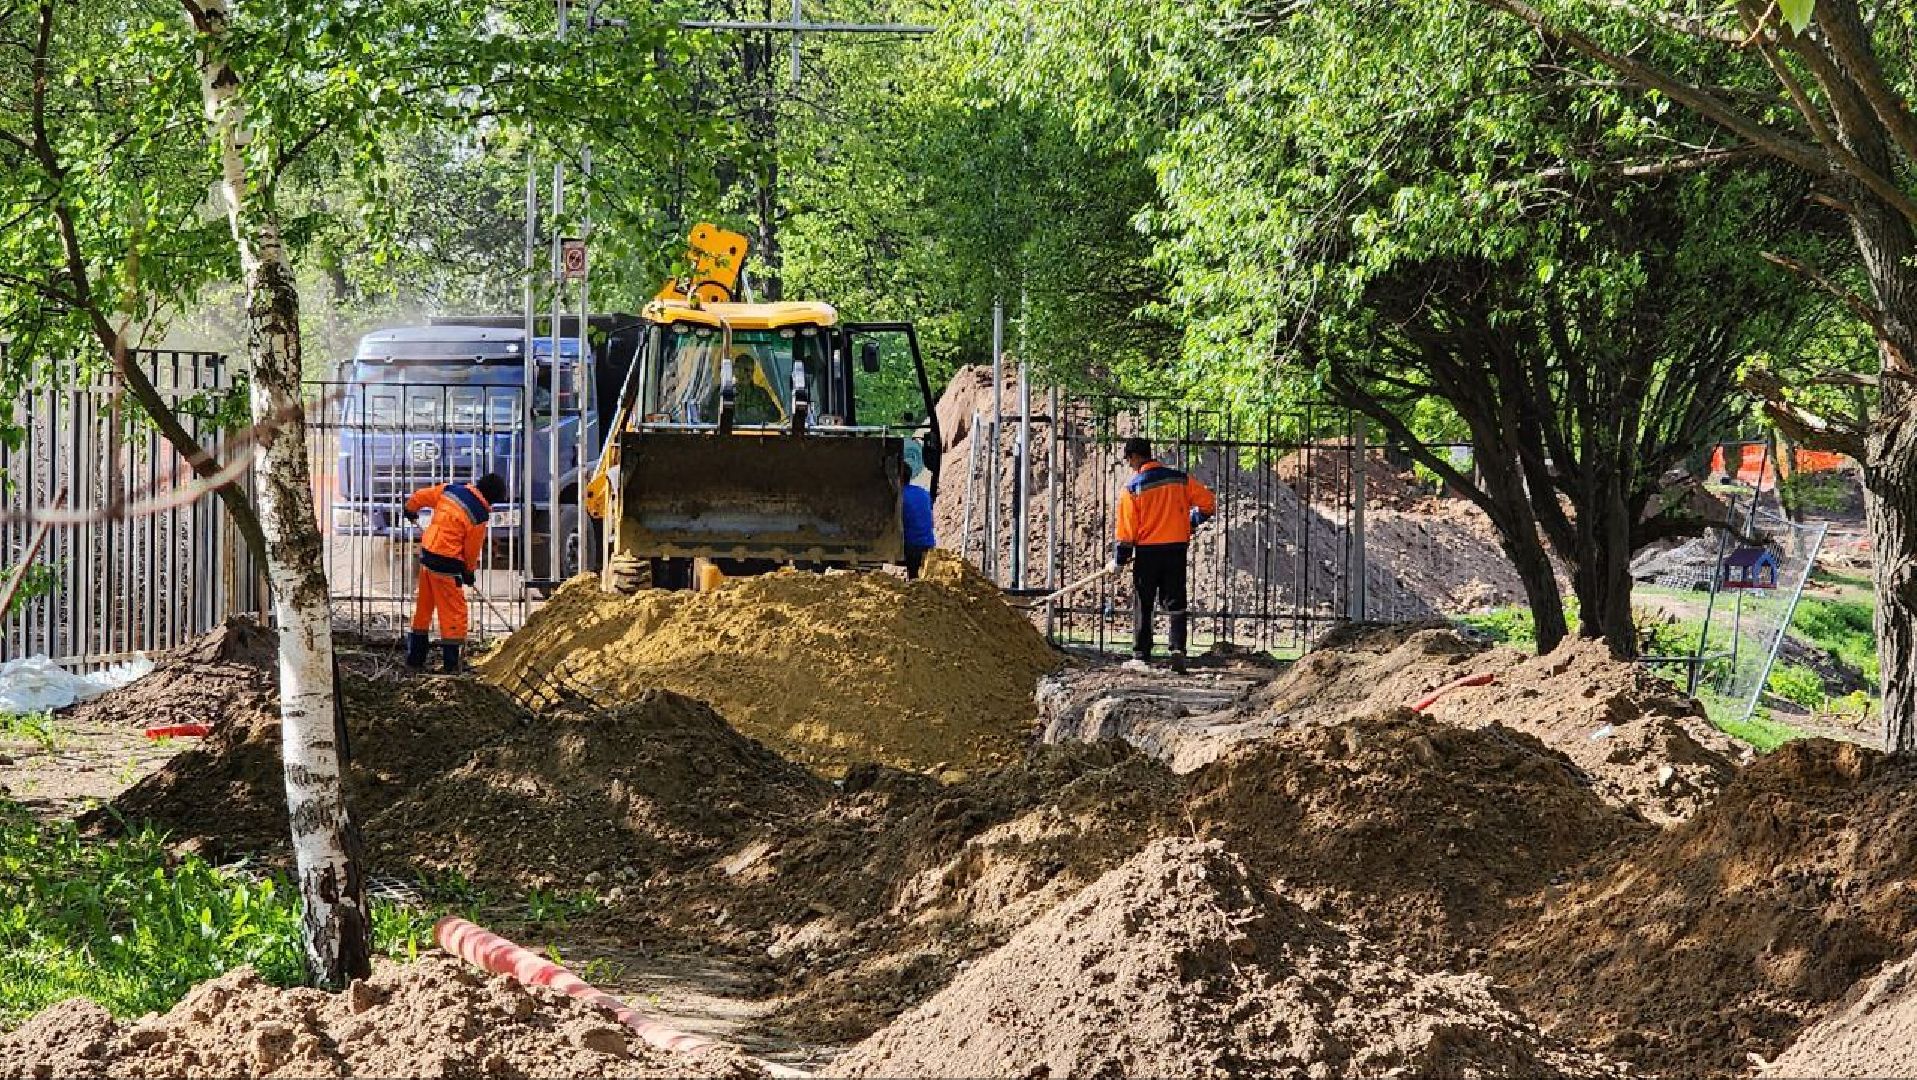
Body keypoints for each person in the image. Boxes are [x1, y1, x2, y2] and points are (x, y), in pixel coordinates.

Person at [1108, 437, 1215, 673]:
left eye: (1129, 459)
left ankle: (1141, 654)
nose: (1129, 464)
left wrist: (1119, 560)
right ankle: (1177, 647)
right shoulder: (1180, 479)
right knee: (1176, 599)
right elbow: (1208, 503)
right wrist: (1190, 522)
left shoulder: (1133, 488)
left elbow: (1127, 531)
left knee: (1144, 602)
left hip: (1148, 552)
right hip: (1176, 548)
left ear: (1135, 457)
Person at [402, 473, 508, 673]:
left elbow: (422, 496)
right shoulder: (478, 514)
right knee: (454, 613)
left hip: (428, 556)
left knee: (423, 610)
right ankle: (452, 664)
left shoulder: (451, 491)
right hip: (447, 565)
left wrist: (410, 508)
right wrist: (468, 571)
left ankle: (415, 659)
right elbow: (471, 548)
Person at [901, 456, 935, 579]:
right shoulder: (924, 493)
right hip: (928, 543)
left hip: (911, 545)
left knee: (914, 578)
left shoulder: (899, 496)